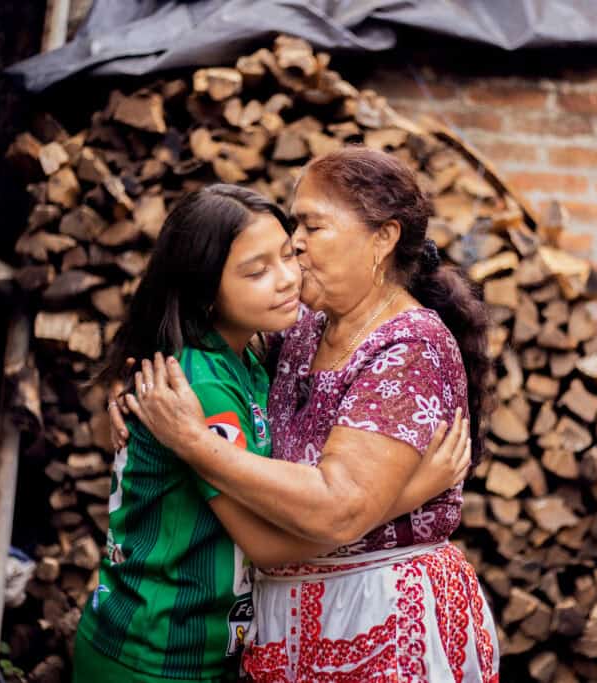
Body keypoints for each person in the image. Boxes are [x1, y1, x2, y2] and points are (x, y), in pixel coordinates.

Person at [123, 147, 500, 681]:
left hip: (379, 621)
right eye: (294, 223)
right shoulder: (302, 327)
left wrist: (194, 444)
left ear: (382, 239)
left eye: (312, 226)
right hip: (289, 625)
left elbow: (338, 508)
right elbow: (209, 358)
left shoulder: (409, 347)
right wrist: (134, 401)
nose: (294, 241)